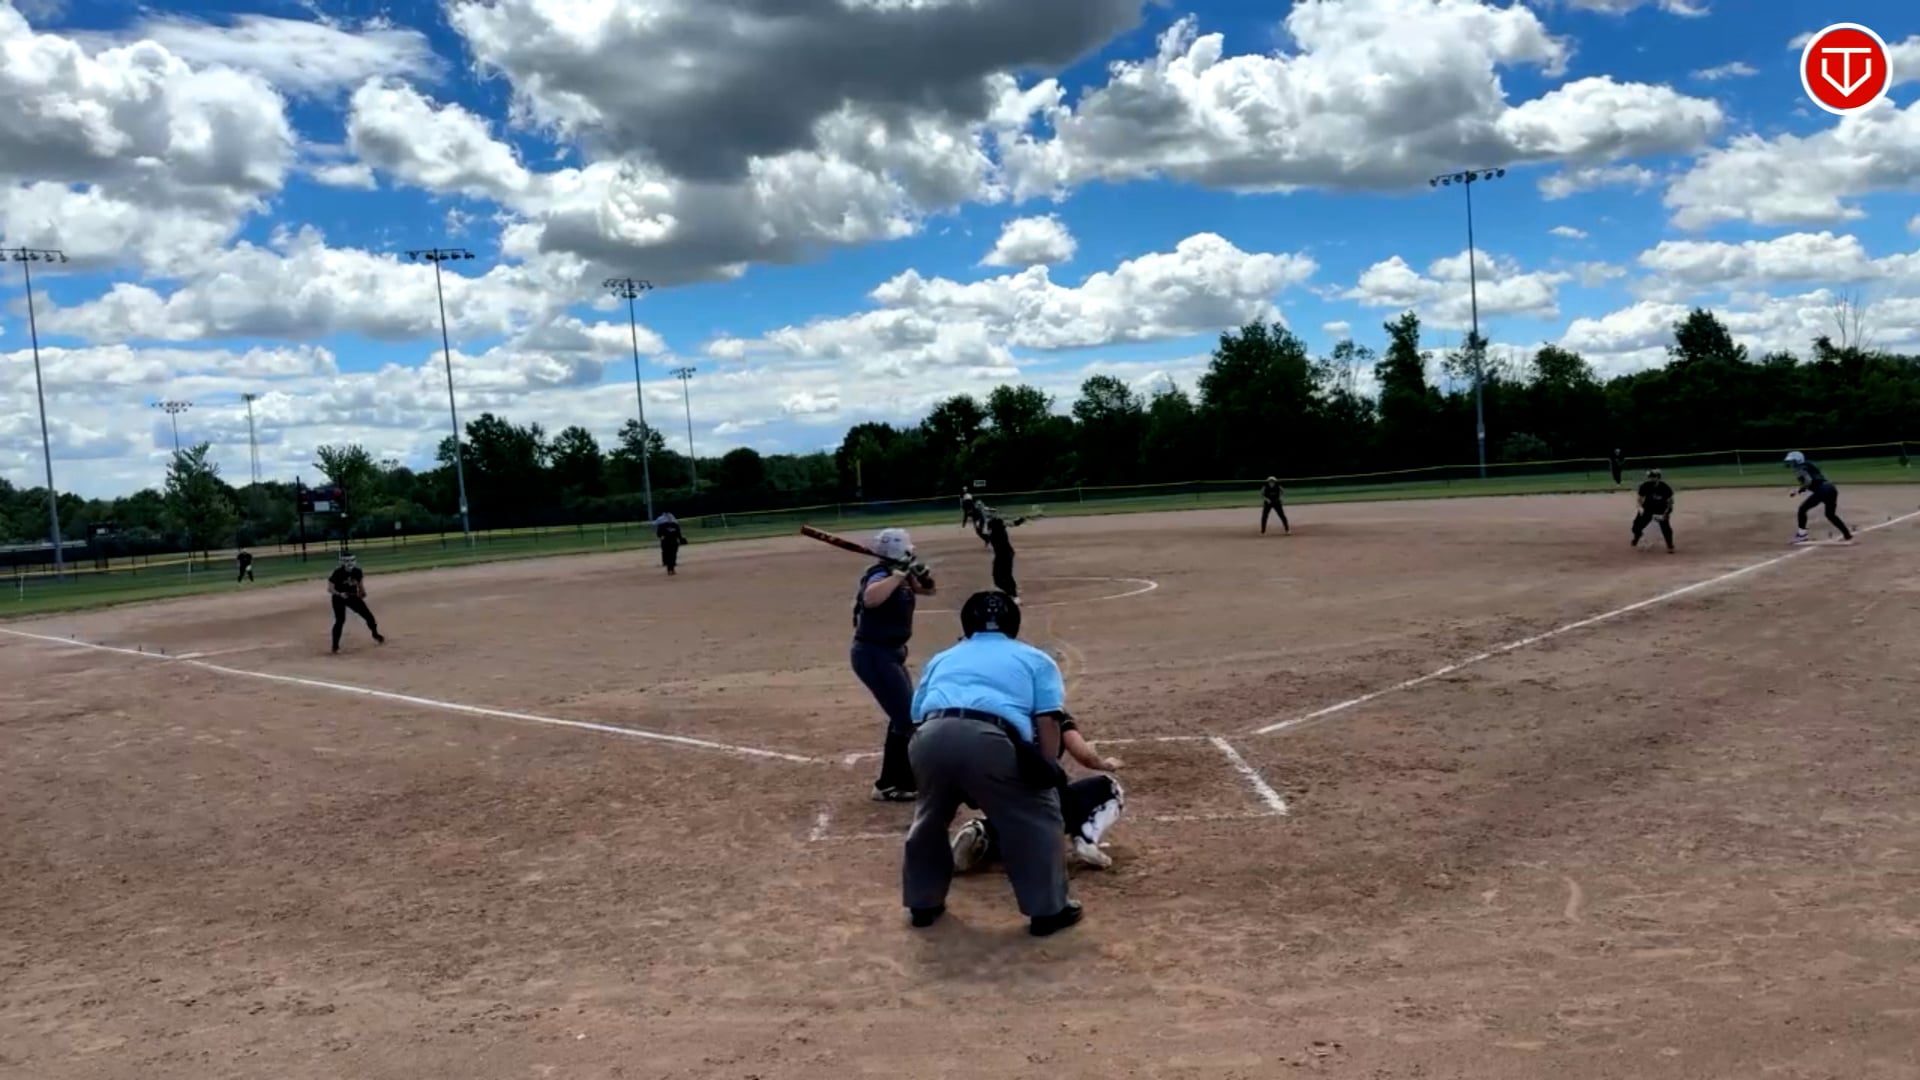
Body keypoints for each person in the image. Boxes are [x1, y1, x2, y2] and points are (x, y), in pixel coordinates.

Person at [902, 591, 1084, 936]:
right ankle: (1049, 910)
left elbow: (915, 715)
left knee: (929, 817)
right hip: (990, 738)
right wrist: (1046, 768)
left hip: (928, 736)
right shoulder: (1035, 658)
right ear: (1013, 623)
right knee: (1037, 816)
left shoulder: (943, 658)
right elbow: (1048, 719)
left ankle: (923, 904)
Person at [951, 717, 1125, 871]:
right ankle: (1086, 839)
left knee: (1010, 806)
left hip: (1001, 804)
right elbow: (1084, 755)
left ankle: (984, 831)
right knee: (1109, 787)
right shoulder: (1052, 713)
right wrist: (1105, 764)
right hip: (1046, 810)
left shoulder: (997, 715)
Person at [851, 528, 937, 802]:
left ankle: (894, 782)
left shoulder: (899, 573)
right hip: (874, 654)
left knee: (904, 715)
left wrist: (920, 574)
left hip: (892, 654)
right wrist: (899, 575)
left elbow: (930, 590)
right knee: (907, 719)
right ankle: (892, 783)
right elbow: (870, 598)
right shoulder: (878, 574)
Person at [1786, 451, 1853, 544]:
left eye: (1792, 461)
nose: (1791, 464)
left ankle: (1802, 535)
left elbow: (1808, 481)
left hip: (1822, 490)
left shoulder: (1800, 468)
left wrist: (1798, 490)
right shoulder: (1808, 465)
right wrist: (1800, 489)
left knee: (1802, 509)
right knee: (1830, 514)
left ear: (1798, 460)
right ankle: (1847, 534)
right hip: (1831, 488)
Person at [327, 553, 384, 654]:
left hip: (352, 596)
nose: (349, 563)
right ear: (342, 562)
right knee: (340, 620)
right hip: (339, 598)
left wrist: (362, 592)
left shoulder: (357, 571)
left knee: (369, 616)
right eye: (347, 561)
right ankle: (335, 646)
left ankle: (375, 634)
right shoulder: (337, 572)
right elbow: (330, 588)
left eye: (352, 560)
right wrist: (339, 594)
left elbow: (360, 585)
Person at [982, 509, 1027, 600]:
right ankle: (1010, 594)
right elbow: (985, 531)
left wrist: (1019, 520)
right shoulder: (992, 525)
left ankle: (1014, 595)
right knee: (998, 578)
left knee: (1005, 576)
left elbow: (1011, 523)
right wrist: (1019, 520)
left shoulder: (997, 523)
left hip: (1005, 554)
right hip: (1001, 554)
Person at [1631, 468, 1676, 553]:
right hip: (1648, 508)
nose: (1651, 479)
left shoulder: (1665, 487)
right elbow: (1640, 499)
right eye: (1650, 477)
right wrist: (1640, 508)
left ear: (1658, 478)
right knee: (1636, 527)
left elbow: (1670, 502)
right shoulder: (1645, 486)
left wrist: (1666, 513)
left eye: (1653, 477)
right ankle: (1636, 537)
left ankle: (1670, 546)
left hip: (1661, 510)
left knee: (1666, 528)